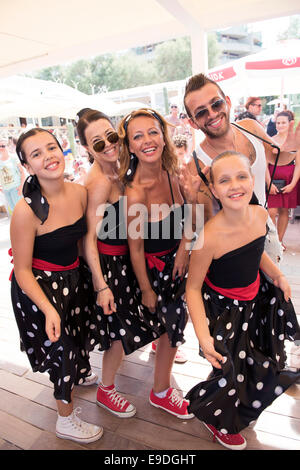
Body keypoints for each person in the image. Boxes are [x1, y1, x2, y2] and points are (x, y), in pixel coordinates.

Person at [185, 151, 300, 450]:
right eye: (224, 180)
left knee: (255, 354)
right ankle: (218, 419)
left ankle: (245, 399)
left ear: (253, 179)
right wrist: (203, 337)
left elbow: (257, 251)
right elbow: (193, 289)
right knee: (227, 364)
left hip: (255, 299)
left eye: (242, 176)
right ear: (213, 189)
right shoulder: (208, 237)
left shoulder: (260, 214)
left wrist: (278, 275)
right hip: (223, 310)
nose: (235, 185)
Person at [10, 128, 103, 444]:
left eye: (51, 147)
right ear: (27, 166)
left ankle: (78, 370)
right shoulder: (26, 211)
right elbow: (21, 270)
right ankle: (65, 419)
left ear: (62, 148)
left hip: (73, 280)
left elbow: (82, 243)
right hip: (38, 289)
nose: (48, 156)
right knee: (61, 349)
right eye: (36, 153)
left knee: (78, 338)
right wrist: (49, 309)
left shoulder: (79, 192)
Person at [76, 108, 163, 419]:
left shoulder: (122, 166)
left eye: (111, 136)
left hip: (129, 257)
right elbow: (88, 239)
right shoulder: (98, 181)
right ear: (87, 149)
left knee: (137, 314)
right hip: (110, 266)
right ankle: (107, 390)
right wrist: (101, 286)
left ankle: (156, 342)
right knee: (117, 331)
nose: (108, 145)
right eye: (97, 143)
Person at [118, 107, 194, 419]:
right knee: (175, 324)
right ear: (130, 147)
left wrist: (185, 248)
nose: (147, 140)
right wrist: (147, 290)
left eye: (152, 131)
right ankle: (160, 391)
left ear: (163, 136)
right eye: (138, 136)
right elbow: (135, 250)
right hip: (151, 272)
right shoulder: (135, 192)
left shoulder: (172, 172)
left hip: (177, 264)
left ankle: (160, 348)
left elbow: (190, 216)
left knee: (171, 324)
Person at [183, 73, 300, 263]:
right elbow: (203, 224)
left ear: (227, 101)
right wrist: (190, 200)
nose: (212, 114)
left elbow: (277, 157)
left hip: (266, 231)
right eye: (201, 112)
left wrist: (292, 147)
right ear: (192, 123)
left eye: (216, 104)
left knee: (277, 288)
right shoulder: (197, 165)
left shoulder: (251, 127)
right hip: (232, 248)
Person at [267, 111, 300, 249]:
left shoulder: (296, 142)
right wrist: (268, 183)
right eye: (278, 122)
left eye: (283, 122)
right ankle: (273, 240)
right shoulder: (269, 140)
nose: (280, 125)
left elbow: (299, 164)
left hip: (289, 178)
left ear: (290, 124)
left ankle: (279, 242)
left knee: (284, 211)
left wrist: (293, 184)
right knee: (271, 211)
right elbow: (265, 164)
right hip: (272, 177)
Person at [0, 138, 25, 215]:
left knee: (21, 210)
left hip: (16, 189)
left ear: (7, 146)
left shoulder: (13, 158)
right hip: (6, 190)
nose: (1, 148)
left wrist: (21, 186)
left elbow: (22, 172)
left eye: (3, 146)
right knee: (14, 212)